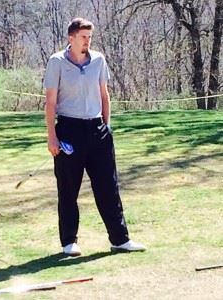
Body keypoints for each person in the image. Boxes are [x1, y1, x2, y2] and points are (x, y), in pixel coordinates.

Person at [44, 17, 146, 256]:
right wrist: (52, 137)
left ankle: (120, 239)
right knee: (68, 189)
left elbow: (104, 95)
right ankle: (69, 241)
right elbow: (50, 103)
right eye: (83, 37)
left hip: (97, 129)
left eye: (89, 37)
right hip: (69, 130)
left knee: (108, 187)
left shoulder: (98, 60)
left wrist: (106, 127)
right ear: (71, 38)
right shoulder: (56, 62)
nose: (87, 42)